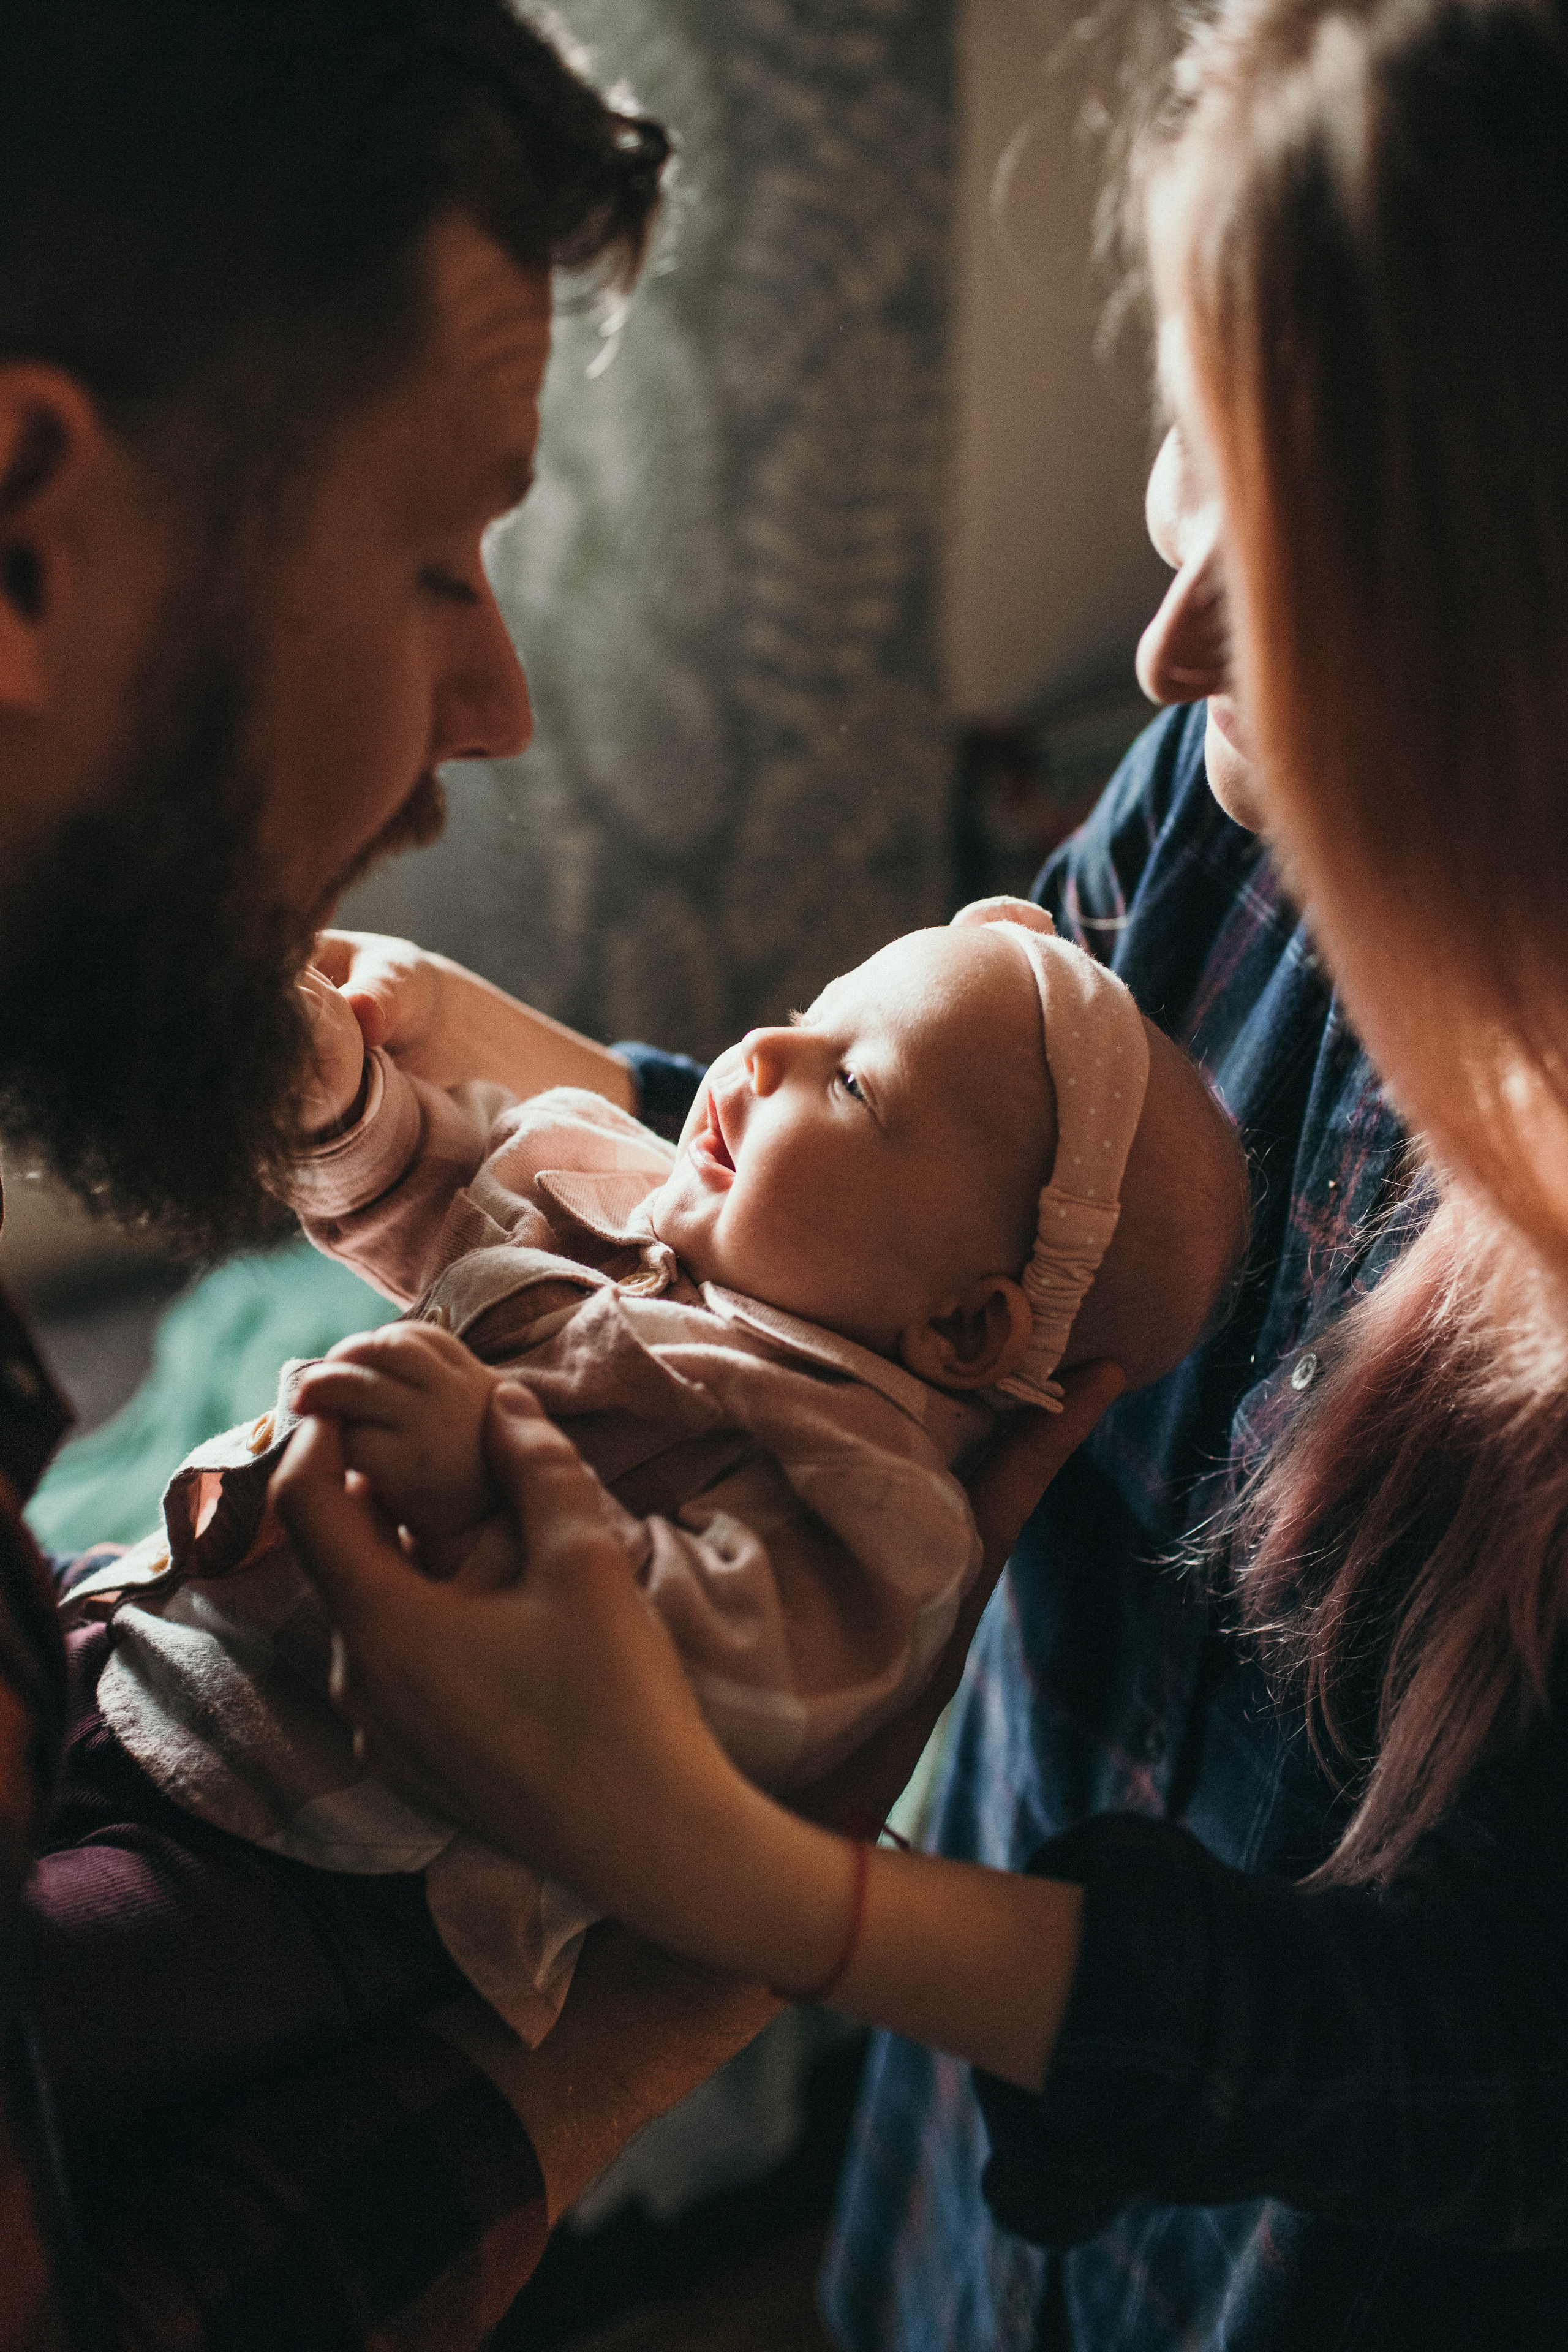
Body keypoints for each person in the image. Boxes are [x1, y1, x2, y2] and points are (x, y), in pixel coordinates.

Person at [271, 0, 1568, 2345]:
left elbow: (1491, 2061)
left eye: (1295, 596)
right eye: (1191, 454)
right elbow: (896, 1210)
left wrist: (739, 1880)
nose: (1168, 653)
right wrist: (457, 1082)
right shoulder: (1223, 810)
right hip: (963, 2201)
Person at [1, 6, 1095, 2345]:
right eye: (433, 560)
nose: (494, 709)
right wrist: (653, 2018)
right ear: (25, 532)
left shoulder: (855, 1471)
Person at [29, 903, 1246, 2120]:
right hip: (151, 1627)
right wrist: (335, 1103)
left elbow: (705, 1687)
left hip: (307, 1866)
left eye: (853, 1085)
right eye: (799, 1019)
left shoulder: (870, 1505)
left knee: (38, 2008)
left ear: (964, 1327)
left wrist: (487, 1491)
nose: (762, 1057)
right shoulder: (618, 1184)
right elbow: (430, 1187)